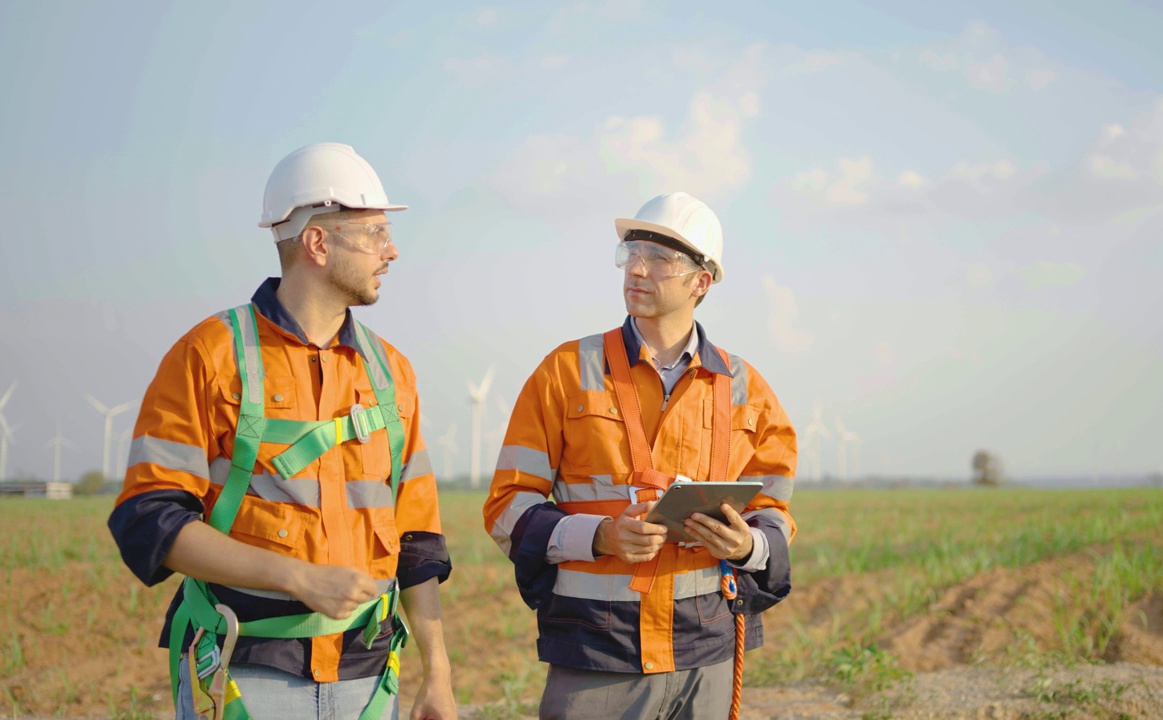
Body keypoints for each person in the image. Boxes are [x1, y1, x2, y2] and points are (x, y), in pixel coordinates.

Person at [108, 142, 457, 720]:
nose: (391, 251)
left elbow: (416, 540)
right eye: (373, 232)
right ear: (318, 243)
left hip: (370, 681)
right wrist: (296, 578)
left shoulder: (391, 373)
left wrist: (438, 675)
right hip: (245, 674)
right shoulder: (209, 356)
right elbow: (149, 521)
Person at [483, 192, 797, 720]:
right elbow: (507, 508)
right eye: (631, 254)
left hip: (707, 652)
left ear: (702, 282)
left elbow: (775, 515)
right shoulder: (564, 371)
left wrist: (748, 546)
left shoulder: (747, 389)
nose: (638, 269)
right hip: (597, 654)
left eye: (661, 259)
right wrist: (601, 536)